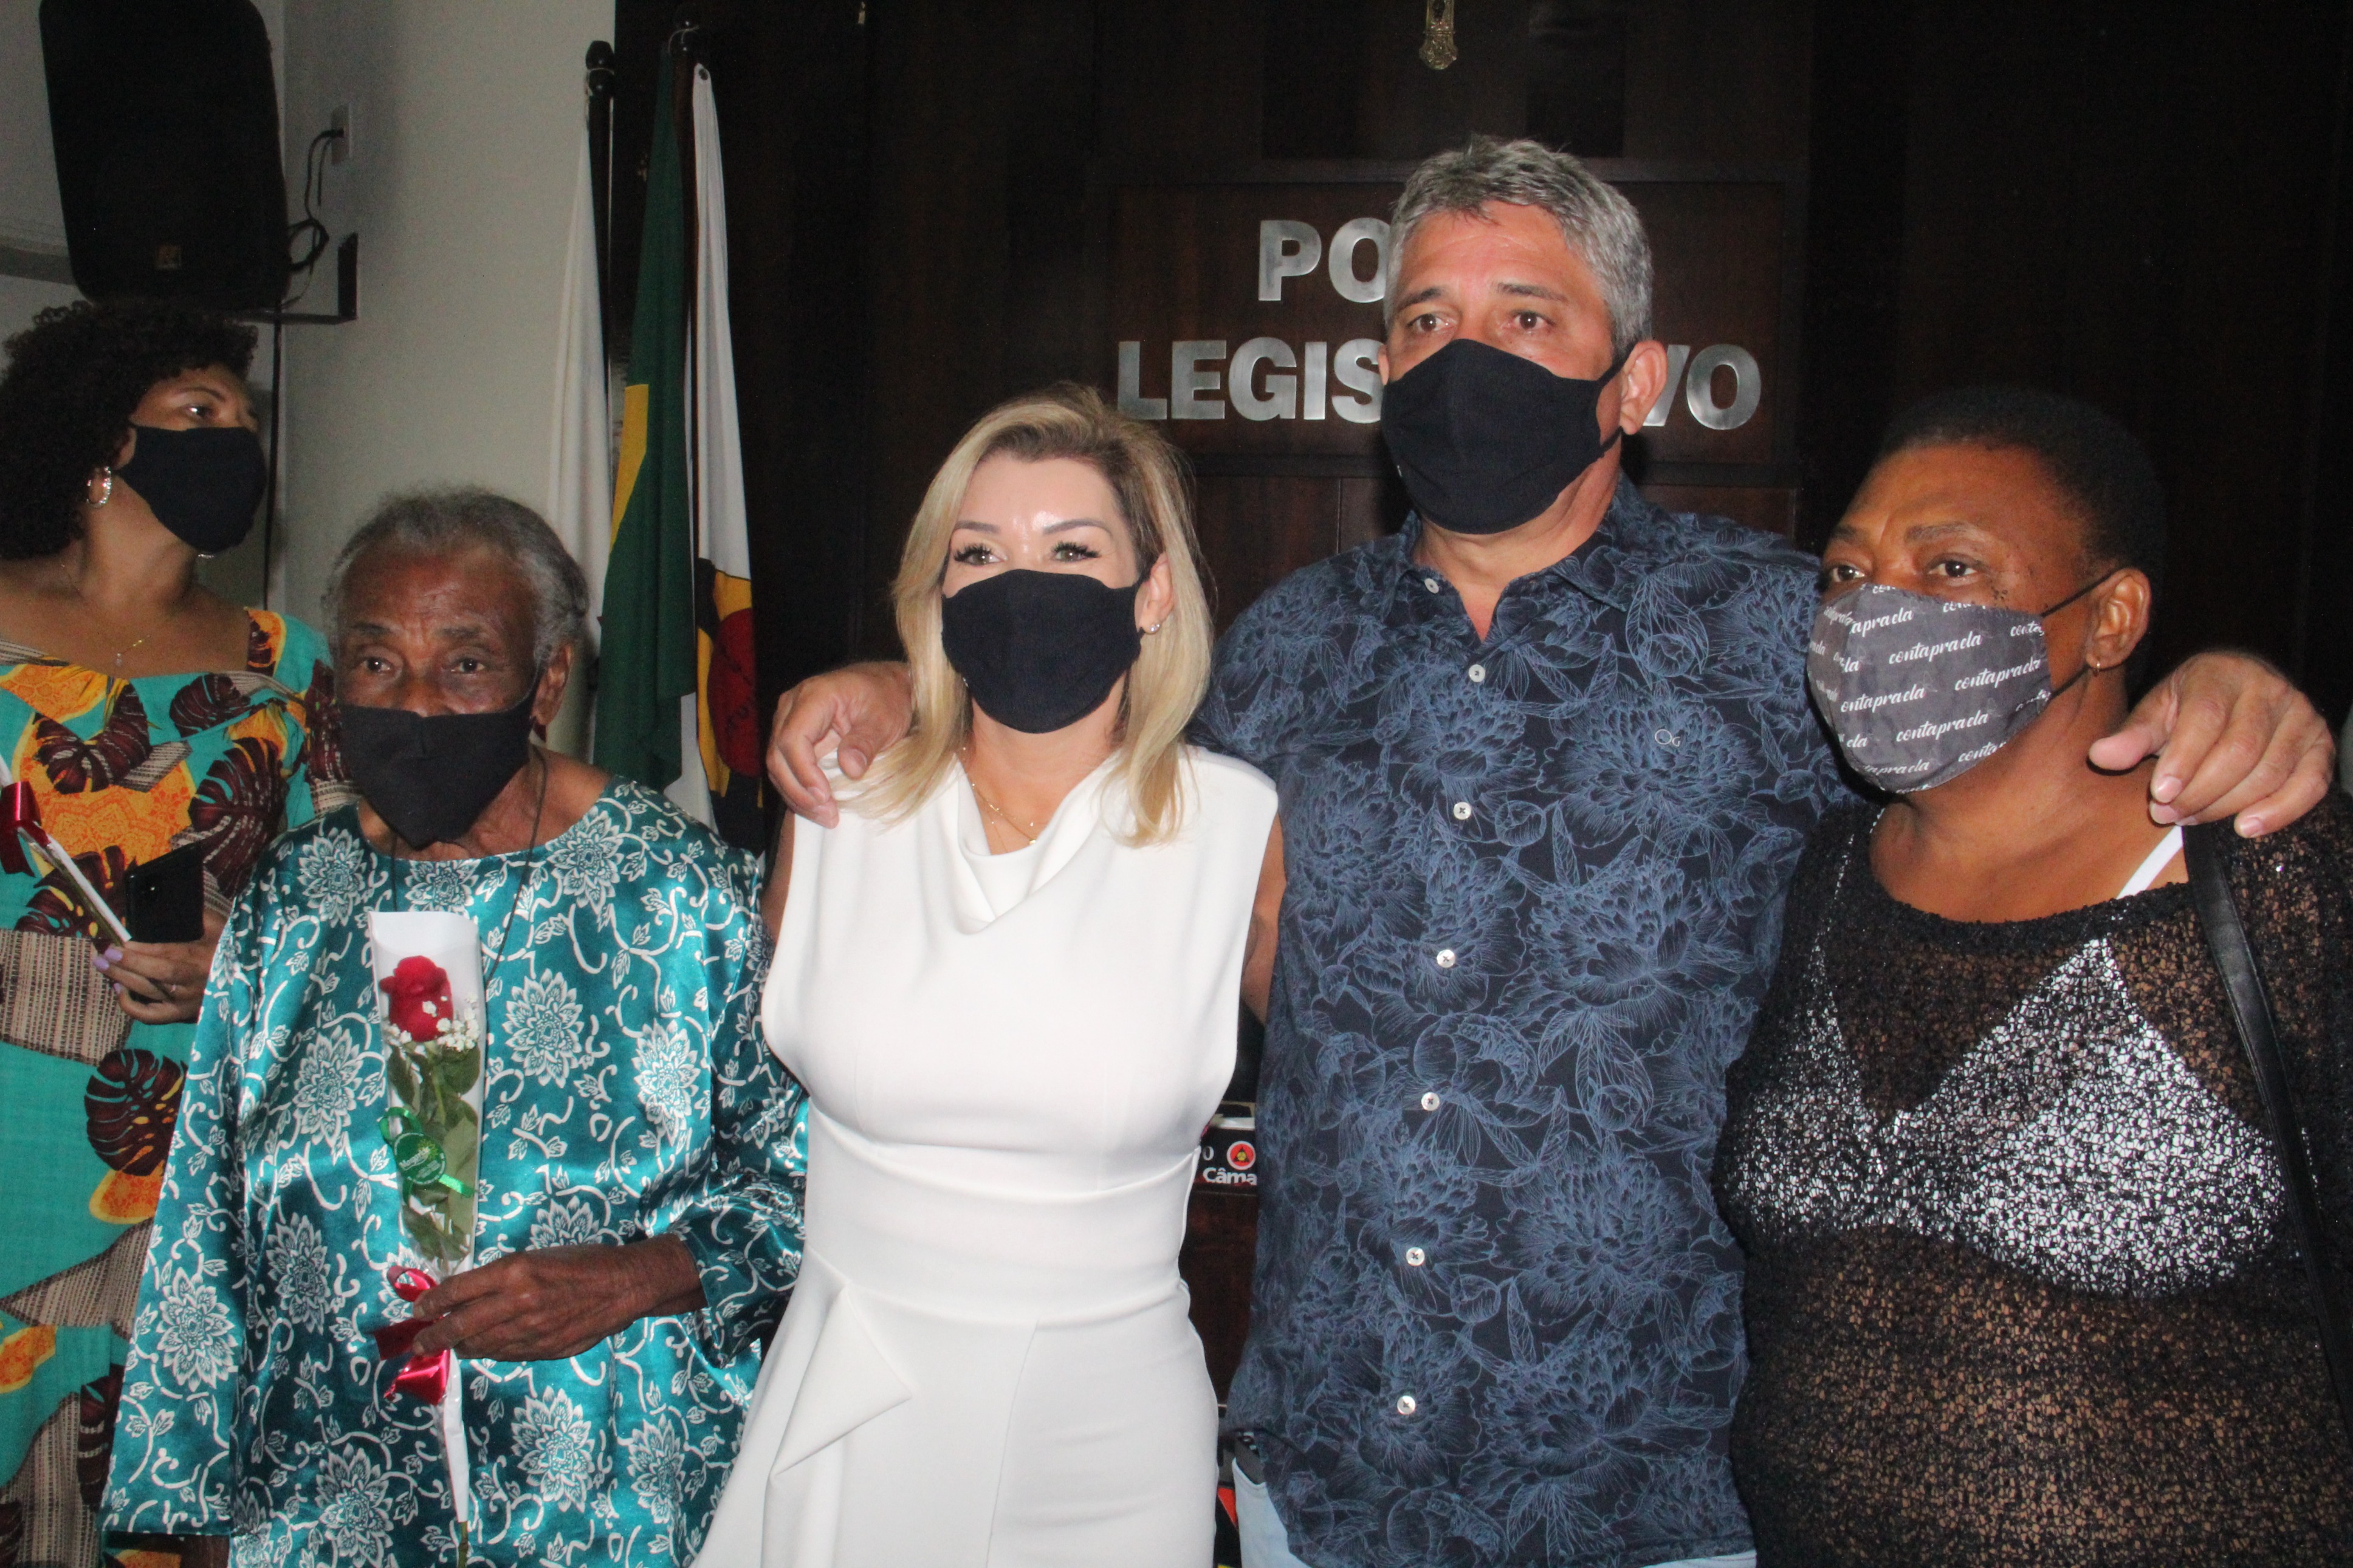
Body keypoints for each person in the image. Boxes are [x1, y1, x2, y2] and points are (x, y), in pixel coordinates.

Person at [763, 140, 2335, 1567]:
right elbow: (1065, 767)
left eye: (1526, 317)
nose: (1466, 356)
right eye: (1425, 320)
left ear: (1635, 378)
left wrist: (2225, 685)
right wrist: (894, 683)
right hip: (1332, 1483)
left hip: (1648, 1491)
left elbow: (2025, 774)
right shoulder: (1287, 653)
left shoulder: (1787, 634)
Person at [102, 489, 807, 1566]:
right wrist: (198, 1517)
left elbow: (813, 1185)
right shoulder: (295, 899)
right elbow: (206, 1230)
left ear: (548, 679)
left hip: (606, 1503)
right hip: (322, 1506)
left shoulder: (682, 895)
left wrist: (636, 1275)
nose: (419, 703)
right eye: (378, 662)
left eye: (466, 663)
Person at [1712, 386, 2353, 1563]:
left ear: (2109, 619)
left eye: (1950, 567)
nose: (1876, 610)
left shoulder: (2269, 873)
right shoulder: (1832, 874)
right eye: (1847, 573)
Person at [695, 387, 1279, 1566]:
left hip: (1108, 1438)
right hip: (855, 1407)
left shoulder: (1236, 830)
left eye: (1071, 550)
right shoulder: (837, 803)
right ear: (938, 589)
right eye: (979, 553)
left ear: (1152, 590)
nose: (1024, 583)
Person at [0, 300, 343, 1568]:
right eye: (201, 411)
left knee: (154, 1473)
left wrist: (240, 958)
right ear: (104, 440)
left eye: (247, 419)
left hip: (190, 1116)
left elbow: (343, 899)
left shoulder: (294, 662)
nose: (236, 438)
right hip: (13, 1114)